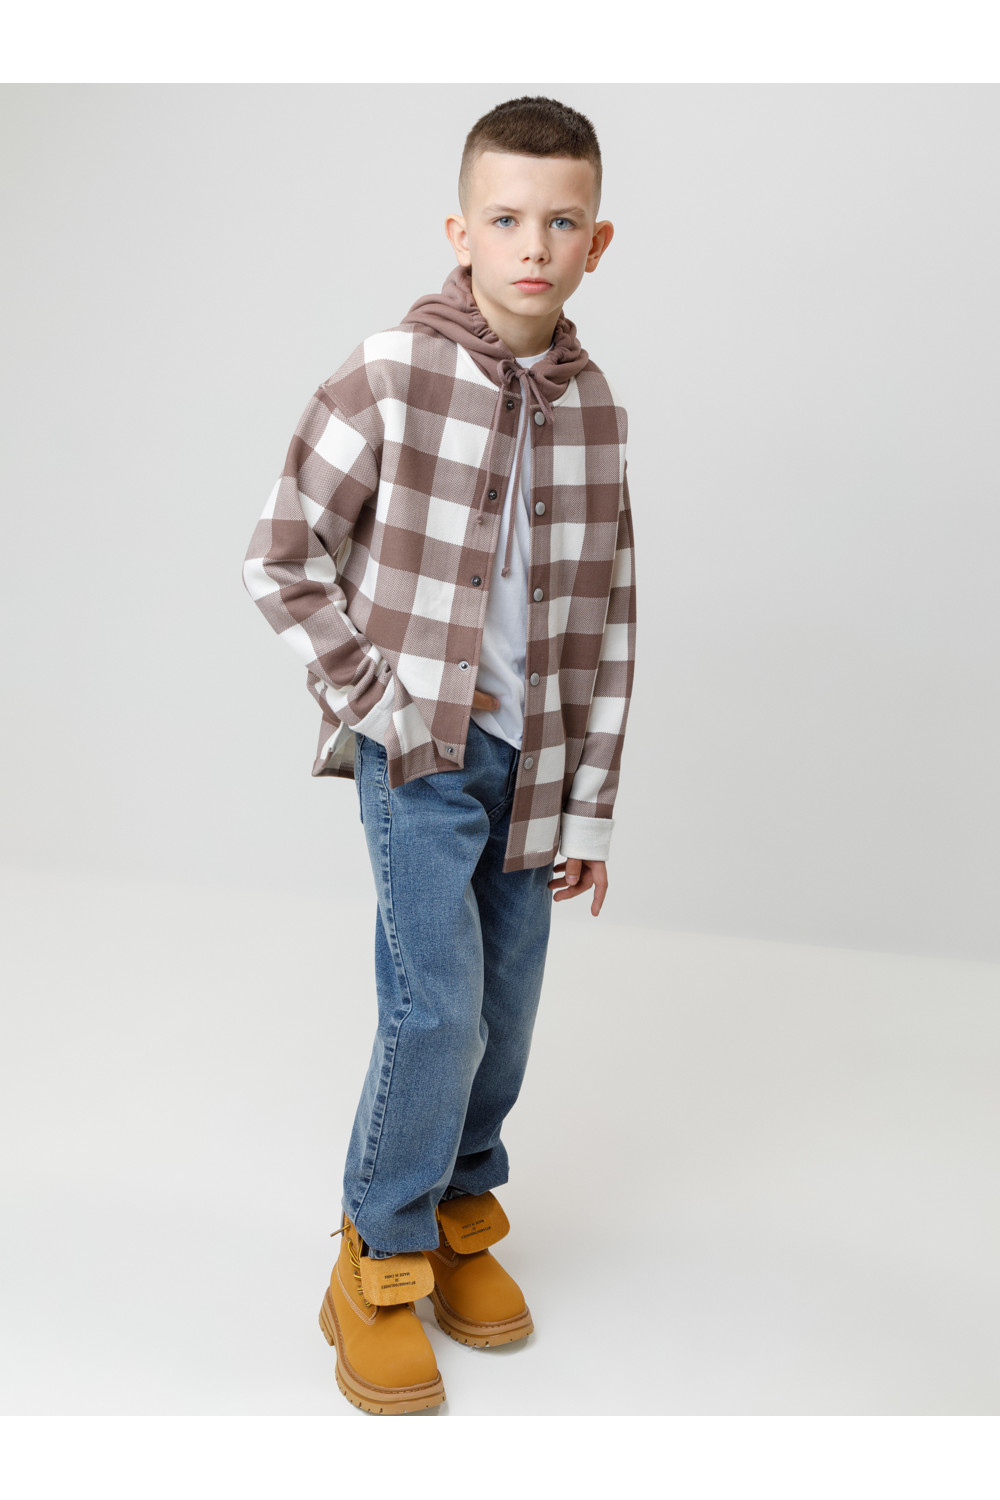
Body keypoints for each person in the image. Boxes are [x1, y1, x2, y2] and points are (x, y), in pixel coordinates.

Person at [242, 94, 637, 1415]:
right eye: (507, 218)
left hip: (535, 761)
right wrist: (379, 704)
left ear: (598, 242)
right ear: (460, 232)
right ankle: (379, 1254)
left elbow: (610, 617)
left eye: (562, 222)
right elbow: (280, 556)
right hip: (419, 753)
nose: (535, 245)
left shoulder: (595, 409)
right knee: (438, 1006)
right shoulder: (390, 373)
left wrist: (587, 804)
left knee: (506, 1009)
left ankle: (464, 1212)